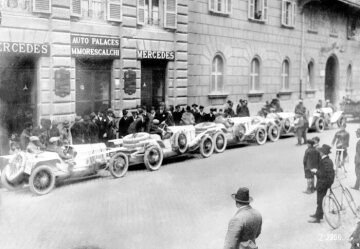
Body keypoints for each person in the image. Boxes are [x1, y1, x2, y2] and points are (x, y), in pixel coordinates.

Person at [309, 144, 335, 223]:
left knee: (320, 200)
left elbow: (323, 174)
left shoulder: (325, 162)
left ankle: (318, 218)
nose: (319, 152)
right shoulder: (327, 160)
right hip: (325, 182)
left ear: (323, 153)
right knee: (320, 200)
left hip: (323, 183)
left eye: (320, 151)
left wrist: (315, 171)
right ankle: (318, 214)